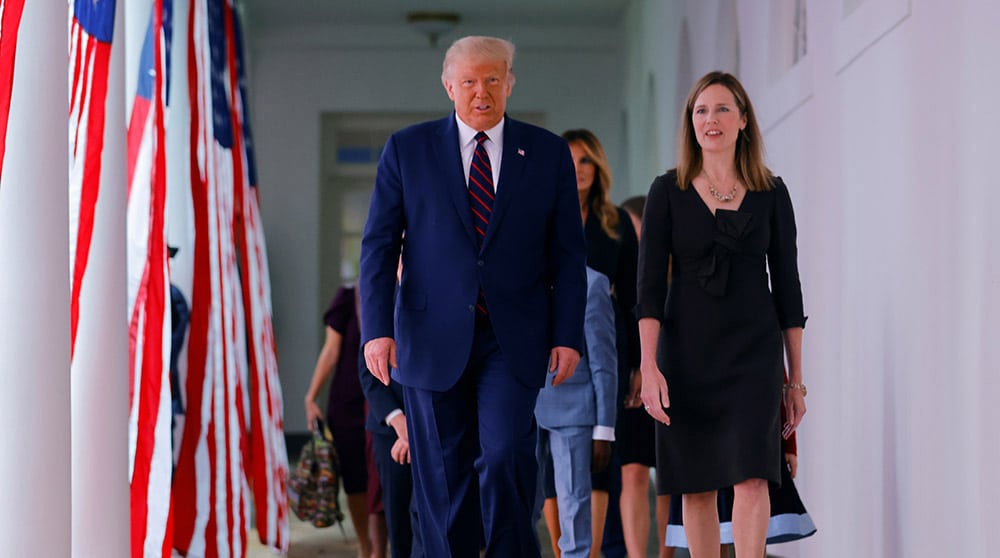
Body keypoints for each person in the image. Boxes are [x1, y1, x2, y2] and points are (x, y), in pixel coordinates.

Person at [359, 35, 587, 557]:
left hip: (514, 338)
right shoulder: (407, 149)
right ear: (448, 87)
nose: (480, 92)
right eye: (468, 81)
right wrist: (376, 331)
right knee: (441, 474)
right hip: (429, 336)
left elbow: (569, 255)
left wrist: (567, 334)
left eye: (491, 79)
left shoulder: (548, 152)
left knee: (506, 455)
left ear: (509, 83)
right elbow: (377, 246)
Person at [636, 71, 807, 558]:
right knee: (697, 484)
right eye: (701, 111)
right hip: (685, 354)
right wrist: (649, 368)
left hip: (754, 351)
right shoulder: (666, 191)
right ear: (691, 124)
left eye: (722, 109)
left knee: (754, 476)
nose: (711, 119)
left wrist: (795, 381)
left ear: (744, 120)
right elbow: (647, 291)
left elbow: (789, 291)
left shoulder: (772, 193)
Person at [562, 129, 653, 558]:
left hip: (607, 347)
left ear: (598, 168)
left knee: (603, 458)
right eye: (570, 160)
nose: (578, 169)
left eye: (586, 161)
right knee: (561, 461)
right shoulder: (543, 217)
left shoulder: (616, 223)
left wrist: (639, 364)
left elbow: (636, 297)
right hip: (554, 348)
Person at [662, 374, 817, 556]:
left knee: (754, 486)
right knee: (704, 495)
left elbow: (775, 371)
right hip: (696, 383)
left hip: (749, 387)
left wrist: (789, 442)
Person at [535, 266, 618, 558]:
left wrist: (604, 428)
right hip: (521, 407)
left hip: (574, 411)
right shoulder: (516, 273)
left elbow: (603, 361)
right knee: (518, 503)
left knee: (574, 506)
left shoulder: (593, 283)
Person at [304, 286, 387, 558]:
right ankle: (367, 547)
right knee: (356, 481)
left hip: (385, 400)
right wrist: (311, 396)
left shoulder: (397, 291)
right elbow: (330, 351)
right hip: (347, 405)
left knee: (382, 479)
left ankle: (383, 546)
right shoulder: (347, 298)